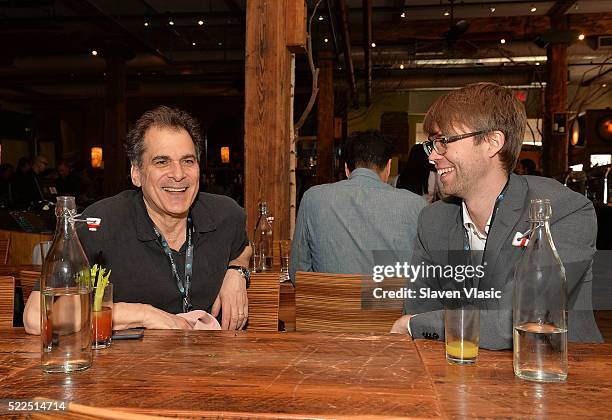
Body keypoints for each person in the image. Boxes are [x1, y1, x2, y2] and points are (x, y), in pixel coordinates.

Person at [390, 82, 602, 349]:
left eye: (444, 141)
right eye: (431, 144)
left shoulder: (561, 211)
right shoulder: (433, 220)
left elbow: (520, 318)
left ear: (492, 142)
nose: (432, 156)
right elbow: (421, 306)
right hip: (459, 374)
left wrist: (413, 325)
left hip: (557, 374)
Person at [24, 106, 251, 333]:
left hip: (210, 362)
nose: (179, 174)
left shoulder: (225, 214)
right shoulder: (100, 224)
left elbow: (243, 247)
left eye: (188, 161)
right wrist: (144, 314)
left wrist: (237, 271)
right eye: (161, 162)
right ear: (136, 173)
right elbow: (36, 316)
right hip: (128, 366)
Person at [290, 129, 426, 283]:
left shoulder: (313, 198)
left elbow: (298, 273)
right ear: (388, 166)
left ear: (347, 168)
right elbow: (428, 276)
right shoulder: (416, 205)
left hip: (330, 305)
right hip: (390, 305)